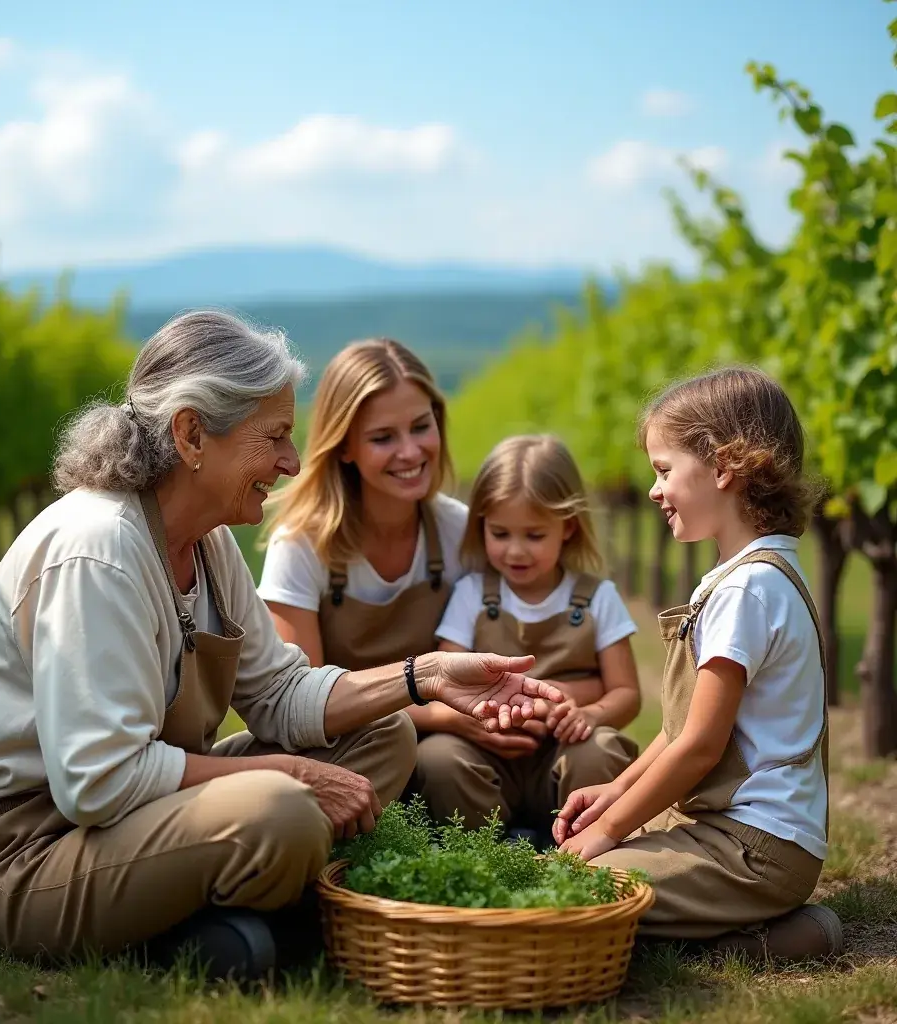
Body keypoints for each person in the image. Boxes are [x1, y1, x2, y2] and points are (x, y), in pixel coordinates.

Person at [0, 310, 566, 980]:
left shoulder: (209, 541)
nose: (291, 462)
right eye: (275, 438)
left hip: (135, 820)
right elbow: (99, 782)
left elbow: (283, 692)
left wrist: (423, 677)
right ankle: (239, 914)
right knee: (279, 809)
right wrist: (287, 773)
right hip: (27, 852)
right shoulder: (101, 550)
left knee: (385, 737)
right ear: (192, 433)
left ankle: (225, 917)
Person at [551, 367, 843, 961]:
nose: (654, 490)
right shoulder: (747, 576)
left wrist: (605, 837)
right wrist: (616, 793)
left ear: (724, 465)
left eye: (664, 471)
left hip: (756, 849)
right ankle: (743, 931)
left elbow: (699, 748)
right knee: (588, 867)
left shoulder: (748, 591)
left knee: (570, 893)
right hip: (740, 837)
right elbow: (677, 732)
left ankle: (780, 937)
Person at [413, 435, 640, 831]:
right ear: (481, 525)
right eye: (500, 534)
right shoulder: (472, 594)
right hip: (487, 751)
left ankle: (581, 856)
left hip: (563, 753)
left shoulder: (596, 598)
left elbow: (627, 692)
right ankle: (477, 857)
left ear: (567, 528)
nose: (516, 551)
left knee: (601, 752)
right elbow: (446, 682)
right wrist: (482, 722)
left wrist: (590, 715)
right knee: (439, 760)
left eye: (534, 536)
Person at [258, 338, 468, 670]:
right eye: (383, 437)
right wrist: (441, 714)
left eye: (421, 427)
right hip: (344, 724)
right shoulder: (301, 544)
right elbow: (297, 699)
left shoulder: (460, 530)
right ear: (343, 448)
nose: (411, 452)